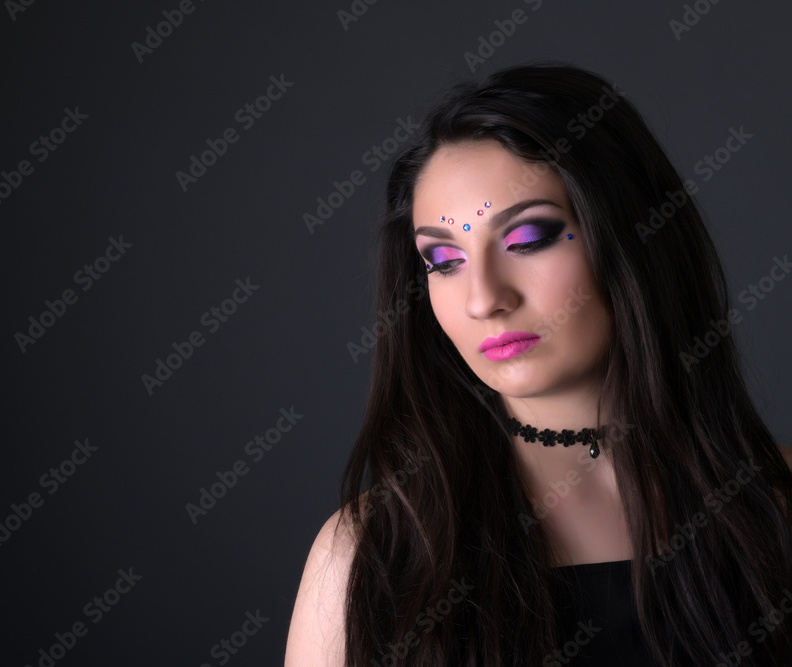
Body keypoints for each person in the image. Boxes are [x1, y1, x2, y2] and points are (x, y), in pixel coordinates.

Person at [284, 61, 792, 666]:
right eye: (444, 260)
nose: (483, 299)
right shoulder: (372, 554)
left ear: (632, 237)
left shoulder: (776, 506)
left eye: (528, 240)